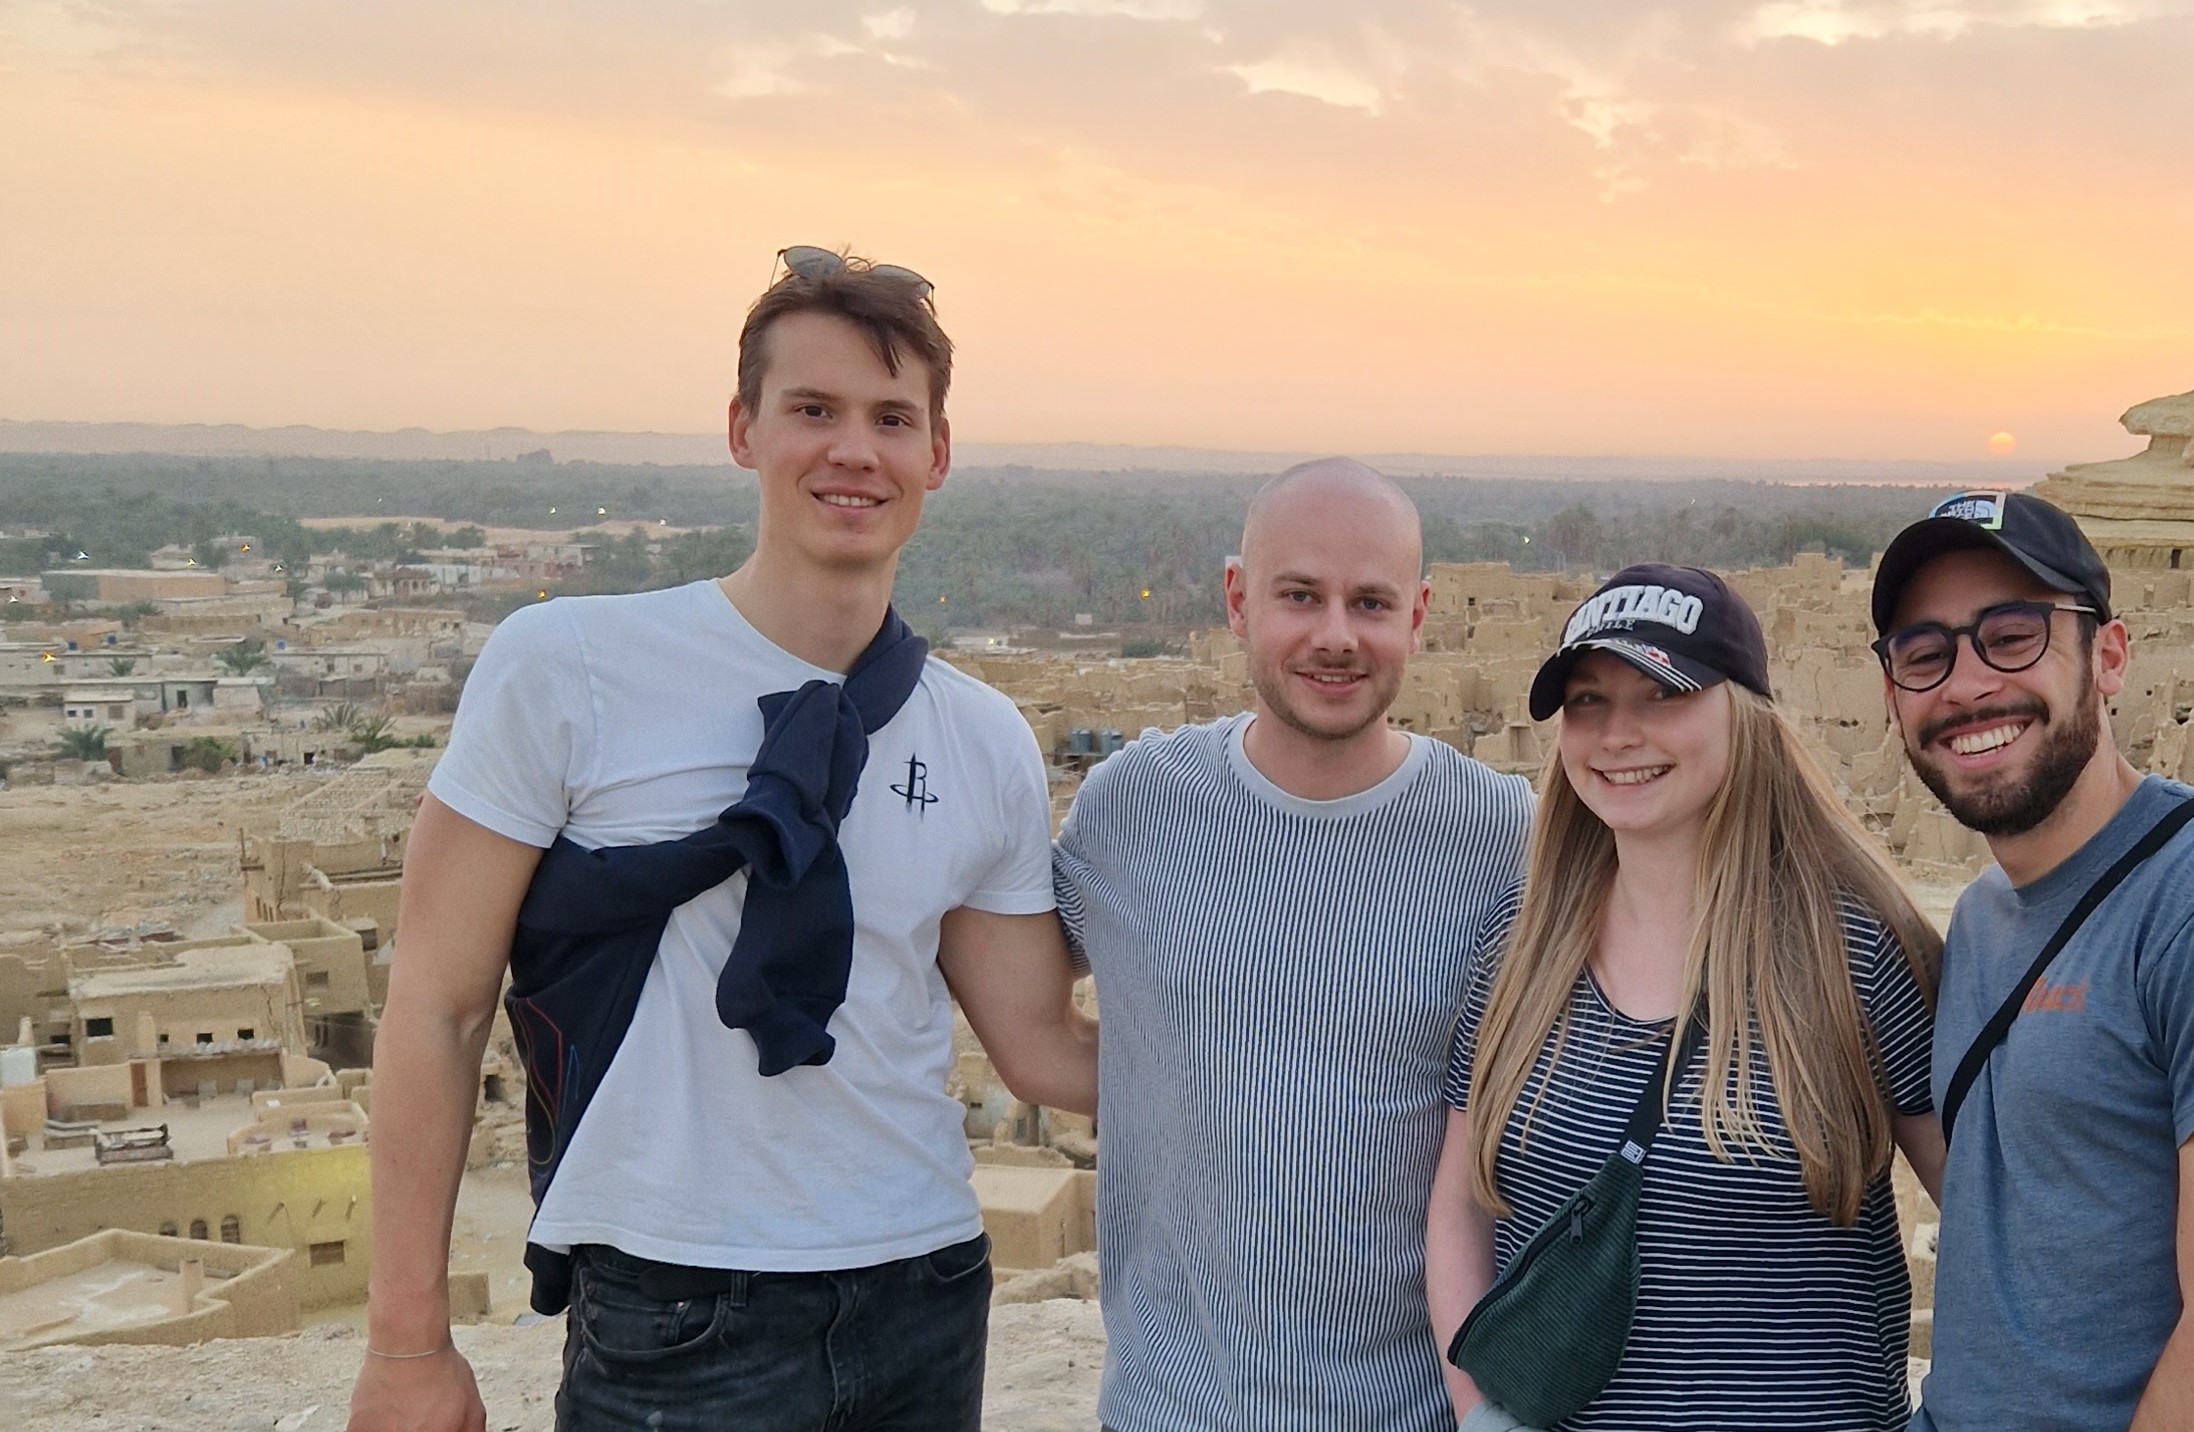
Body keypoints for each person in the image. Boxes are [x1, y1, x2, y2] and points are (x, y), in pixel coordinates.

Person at [348, 249, 1096, 1432]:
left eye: (892, 419)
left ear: (937, 455)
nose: (855, 450)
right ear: (744, 429)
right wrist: (406, 1343)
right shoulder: (570, 670)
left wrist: (1305, 1061)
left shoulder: (984, 737)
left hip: (925, 1285)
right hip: (673, 1299)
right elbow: (436, 1008)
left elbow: (1044, 1047)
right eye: (814, 410)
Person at [1876, 490, 2194, 1432]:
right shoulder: (1989, 917)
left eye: (2013, 635)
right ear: (1894, 696)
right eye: (1926, 654)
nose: (1967, 685)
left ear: (2108, 656)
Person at [1053, 458, 1537, 1431]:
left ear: (1418, 613)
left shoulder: (1502, 836)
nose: (1334, 635)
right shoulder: (1133, 808)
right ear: (1238, 600)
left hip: (1409, 1411)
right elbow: (1020, 1024)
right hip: (1170, 1407)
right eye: (1299, 596)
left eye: (1370, 601)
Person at [1425, 565, 1948, 1431]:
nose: (1617, 734)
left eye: (1660, 697)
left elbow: (1984, 1208)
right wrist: (1481, 1412)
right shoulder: (1521, 950)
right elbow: (1459, 1203)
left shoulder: (1849, 951)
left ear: (1743, 713)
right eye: (1588, 701)